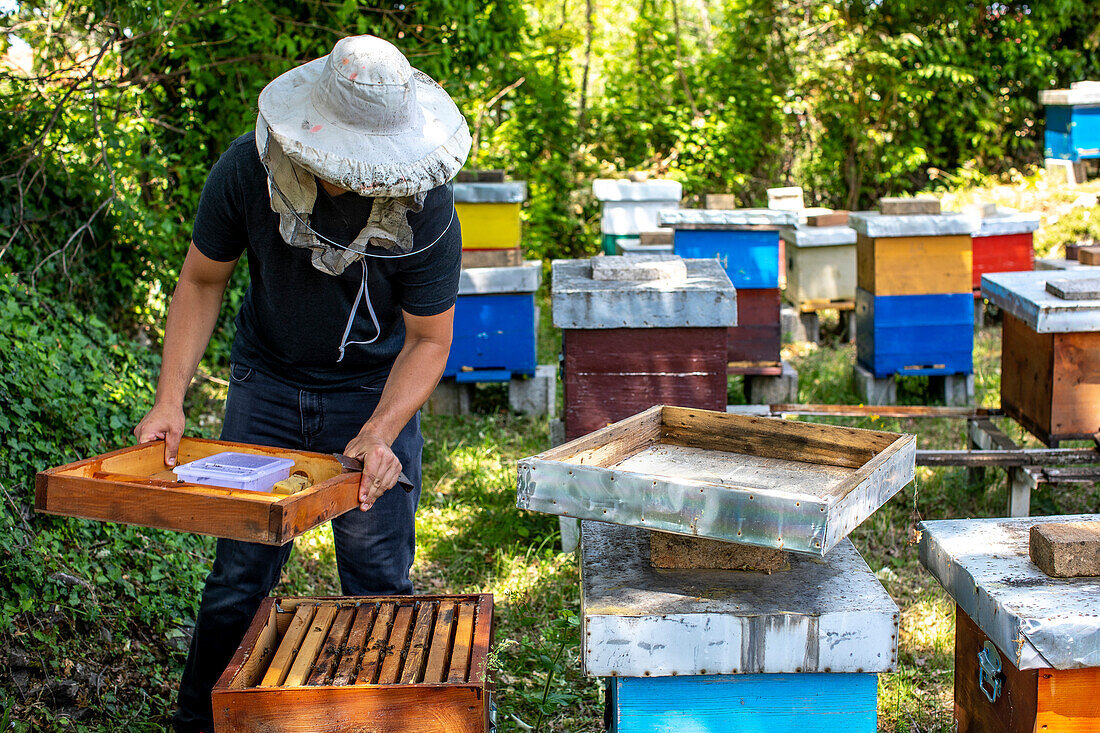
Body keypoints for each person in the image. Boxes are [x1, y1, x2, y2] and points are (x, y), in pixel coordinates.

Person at [132, 35, 470, 732]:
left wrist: (380, 432)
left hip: (374, 395)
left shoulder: (428, 206)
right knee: (237, 581)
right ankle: (199, 723)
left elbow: (430, 339)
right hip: (267, 382)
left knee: (378, 581)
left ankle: (385, 720)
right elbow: (201, 279)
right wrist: (169, 401)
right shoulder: (245, 168)